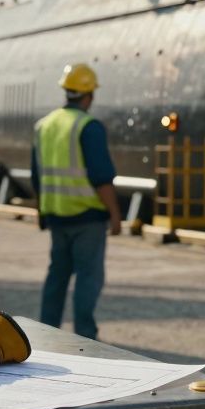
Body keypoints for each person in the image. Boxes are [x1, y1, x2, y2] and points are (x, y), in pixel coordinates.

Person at [33, 63, 122, 340]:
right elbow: (101, 177)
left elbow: (37, 176)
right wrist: (115, 215)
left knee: (56, 278)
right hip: (88, 219)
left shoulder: (44, 125)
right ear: (89, 95)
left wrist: (41, 211)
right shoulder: (88, 126)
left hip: (57, 217)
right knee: (88, 279)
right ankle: (84, 337)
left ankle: (46, 333)